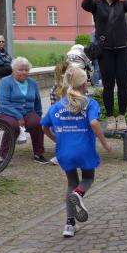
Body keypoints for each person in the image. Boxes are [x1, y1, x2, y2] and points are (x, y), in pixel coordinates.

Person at [41, 66, 111, 238]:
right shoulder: (89, 103)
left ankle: (69, 225)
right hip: (84, 150)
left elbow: (44, 127)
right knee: (87, 178)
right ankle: (79, 194)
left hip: (64, 151)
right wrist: (105, 143)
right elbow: (94, 123)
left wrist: (56, 139)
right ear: (84, 84)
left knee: (72, 182)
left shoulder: (58, 106)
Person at [80, 0, 127, 132]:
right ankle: (110, 117)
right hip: (106, 52)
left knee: (123, 85)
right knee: (108, 85)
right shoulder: (96, 5)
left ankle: (121, 116)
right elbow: (84, 5)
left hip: (123, 50)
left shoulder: (121, 5)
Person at [0, 57, 49, 164]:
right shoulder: (5, 82)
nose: (24, 72)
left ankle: (38, 153)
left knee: (38, 123)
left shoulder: (32, 82)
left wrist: (38, 116)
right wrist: (18, 116)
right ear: (13, 70)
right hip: (5, 112)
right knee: (12, 126)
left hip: (27, 111)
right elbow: (4, 104)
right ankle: (3, 157)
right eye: (20, 70)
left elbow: (37, 102)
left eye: (26, 70)